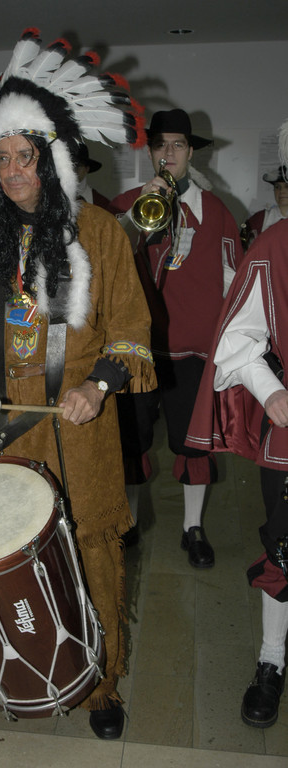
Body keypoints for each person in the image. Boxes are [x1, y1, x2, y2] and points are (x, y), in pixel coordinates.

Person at [0, 29, 155, 740]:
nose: (10, 171)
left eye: (22, 156)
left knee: (91, 545)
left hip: (77, 425)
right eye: (0, 158)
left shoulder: (102, 233)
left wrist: (99, 385)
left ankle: (102, 683)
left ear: (52, 159)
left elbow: (131, 331)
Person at [185, 117, 288, 731]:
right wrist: (271, 391)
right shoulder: (276, 245)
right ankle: (272, 658)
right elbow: (236, 336)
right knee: (285, 549)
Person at [110, 108, 243, 565]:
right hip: (135, 347)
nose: (169, 153)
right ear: (149, 152)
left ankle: (193, 527)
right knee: (132, 440)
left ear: (190, 152)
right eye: (161, 145)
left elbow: (234, 281)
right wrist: (137, 214)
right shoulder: (125, 203)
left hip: (193, 350)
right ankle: (128, 521)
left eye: (178, 145)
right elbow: (103, 264)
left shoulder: (215, 210)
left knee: (194, 442)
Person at [240, 165, 288, 250]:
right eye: (277, 187)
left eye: (287, 186)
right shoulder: (258, 220)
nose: (282, 191)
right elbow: (242, 250)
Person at [76, 142, 111, 210]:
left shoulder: (102, 204)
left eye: (78, 166)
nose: (73, 170)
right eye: (68, 165)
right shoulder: (55, 198)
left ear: (87, 169)